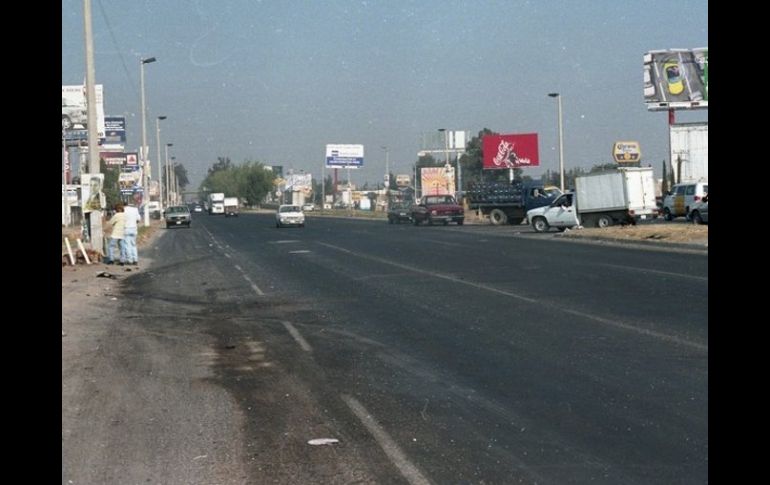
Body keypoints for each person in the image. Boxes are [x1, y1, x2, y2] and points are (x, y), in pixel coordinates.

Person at [123, 200, 141, 266]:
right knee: (133, 245)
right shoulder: (135, 209)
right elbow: (138, 219)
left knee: (127, 245)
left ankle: (130, 260)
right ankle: (135, 260)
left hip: (126, 229)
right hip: (134, 229)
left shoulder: (123, 211)